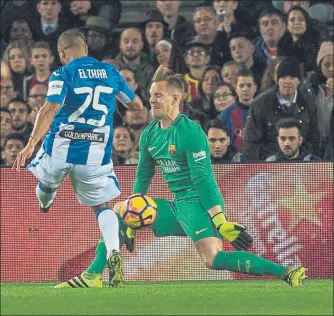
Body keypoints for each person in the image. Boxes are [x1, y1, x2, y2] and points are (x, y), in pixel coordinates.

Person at [127, 65, 306, 286]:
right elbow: (143, 175)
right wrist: (132, 215)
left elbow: (203, 179)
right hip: (176, 205)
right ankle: (96, 274)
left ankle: (285, 272)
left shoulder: (191, 132)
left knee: (213, 259)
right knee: (119, 211)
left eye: (157, 95)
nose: (151, 100)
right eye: (151, 94)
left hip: (196, 204)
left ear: (174, 98)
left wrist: (220, 220)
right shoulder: (149, 134)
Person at [12, 28, 144, 288]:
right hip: (95, 152)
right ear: (86, 49)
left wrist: (30, 144)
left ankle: (46, 201)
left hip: (61, 147)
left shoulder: (63, 73)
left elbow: (49, 108)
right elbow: (136, 106)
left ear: (62, 53)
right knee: (102, 207)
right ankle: (113, 252)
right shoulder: (110, 72)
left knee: (47, 185)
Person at [242, 56, 318, 160]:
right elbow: (250, 143)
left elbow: (313, 138)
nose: (287, 81)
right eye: (283, 77)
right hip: (268, 165)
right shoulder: (260, 104)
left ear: (299, 81)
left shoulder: (308, 102)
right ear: (277, 80)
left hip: (301, 165)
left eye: (292, 78)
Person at [219, 69, 257, 152]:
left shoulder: (262, 111)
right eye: (241, 85)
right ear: (235, 88)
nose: (245, 89)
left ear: (255, 88)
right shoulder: (226, 114)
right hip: (234, 162)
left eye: (249, 85)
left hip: (259, 160)